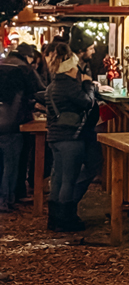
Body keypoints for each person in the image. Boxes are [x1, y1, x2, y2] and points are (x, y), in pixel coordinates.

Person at [44, 43, 101, 231]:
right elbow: (88, 102)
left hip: (55, 137)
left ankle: (54, 218)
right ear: (70, 68)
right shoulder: (69, 86)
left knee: (58, 178)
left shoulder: (53, 85)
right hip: (71, 137)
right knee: (68, 179)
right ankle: (66, 220)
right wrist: (87, 84)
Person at [0, 47, 40, 212]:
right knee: (11, 164)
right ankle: (6, 199)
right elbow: (38, 92)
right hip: (12, 123)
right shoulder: (23, 69)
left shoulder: (2, 64)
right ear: (28, 57)